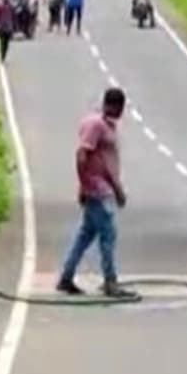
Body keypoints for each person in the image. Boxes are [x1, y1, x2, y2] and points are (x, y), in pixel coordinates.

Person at [56, 87, 137, 298]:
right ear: (116, 106)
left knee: (84, 235)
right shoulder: (96, 125)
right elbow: (83, 156)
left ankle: (66, 277)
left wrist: (85, 186)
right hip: (100, 190)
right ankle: (110, 282)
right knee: (108, 236)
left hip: (99, 188)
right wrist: (90, 185)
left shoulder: (103, 125)